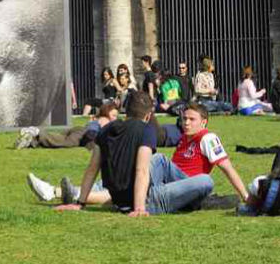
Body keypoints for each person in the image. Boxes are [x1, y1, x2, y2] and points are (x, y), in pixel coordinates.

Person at [60, 92, 214, 215]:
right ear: (148, 116)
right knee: (206, 181)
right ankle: (195, 199)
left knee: (160, 159)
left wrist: (80, 203)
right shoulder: (146, 130)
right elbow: (141, 170)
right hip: (146, 200)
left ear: (125, 112)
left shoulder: (107, 130)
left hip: (119, 200)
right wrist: (139, 208)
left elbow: (92, 169)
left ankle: (190, 195)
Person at [15, 102, 118, 150]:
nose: (115, 118)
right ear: (106, 113)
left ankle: (30, 142)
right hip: (82, 133)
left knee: (57, 139)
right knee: (65, 142)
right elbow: (92, 131)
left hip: (79, 130)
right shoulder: (104, 120)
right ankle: (37, 131)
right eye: (113, 115)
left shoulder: (100, 119)